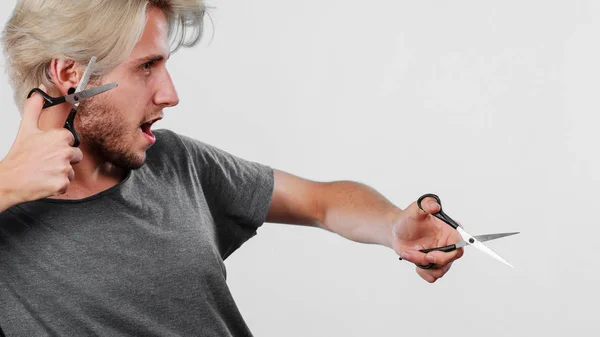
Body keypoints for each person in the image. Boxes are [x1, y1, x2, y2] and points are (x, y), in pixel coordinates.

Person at [0, 1, 463, 336]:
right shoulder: (8, 220)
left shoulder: (172, 161)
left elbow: (320, 202)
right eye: (147, 67)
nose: (170, 94)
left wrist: (392, 227)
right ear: (69, 76)